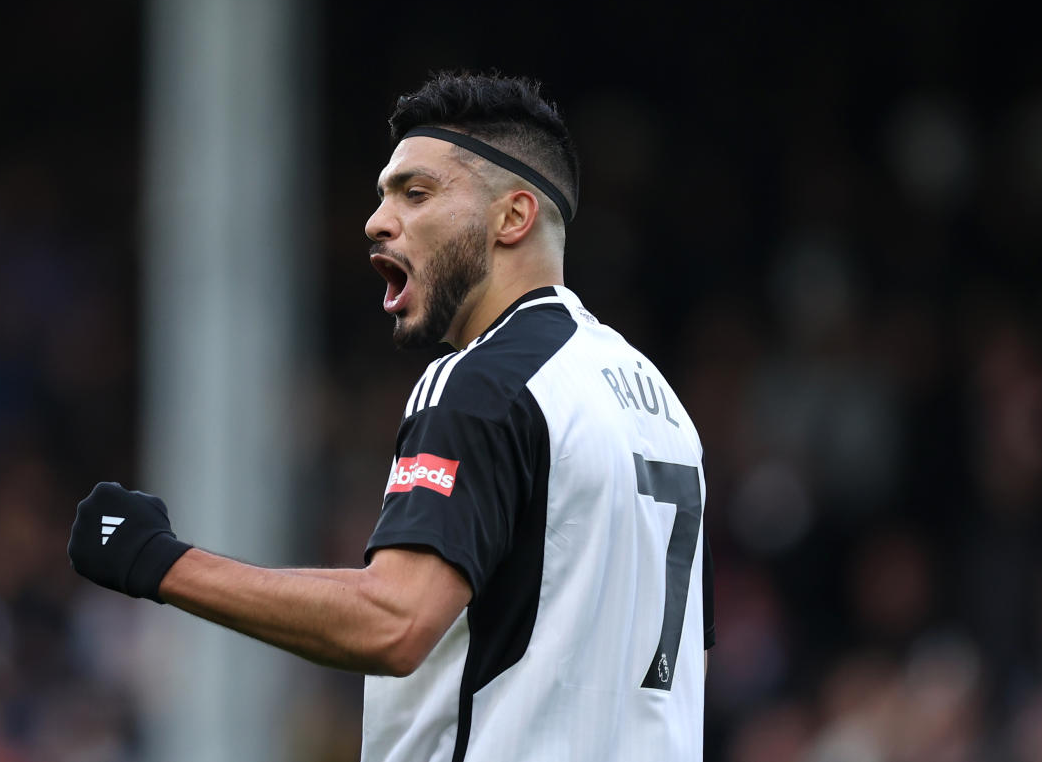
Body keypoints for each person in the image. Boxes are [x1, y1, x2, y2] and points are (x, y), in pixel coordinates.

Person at [68, 71, 715, 761]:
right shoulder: (658, 403)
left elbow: (394, 621)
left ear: (512, 216)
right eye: (383, 195)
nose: (378, 220)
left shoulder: (483, 380)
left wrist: (158, 560)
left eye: (415, 192)